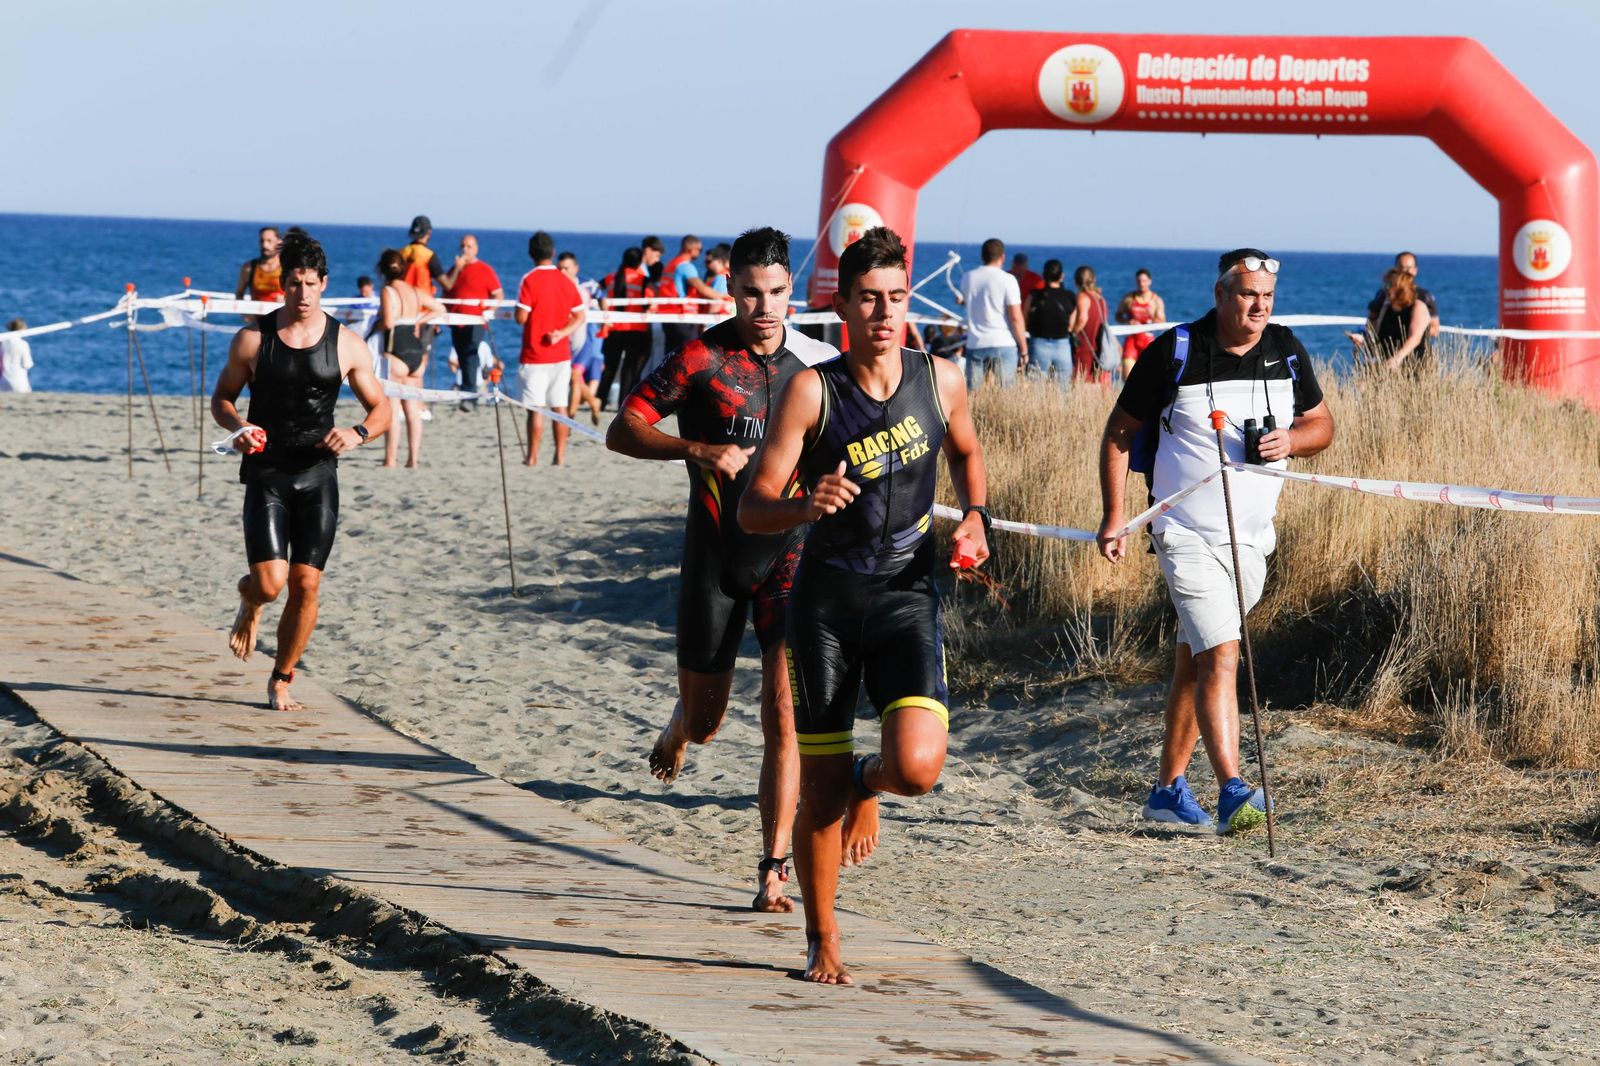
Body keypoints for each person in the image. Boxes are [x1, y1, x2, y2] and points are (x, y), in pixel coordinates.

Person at [738, 226, 990, 984]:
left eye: (897, 298)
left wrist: (976, 514)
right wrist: (802, 507)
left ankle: (866, 782)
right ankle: (823, 938)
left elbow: (969, 454)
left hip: (908, 595)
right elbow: (753, 506)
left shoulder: (940, 379)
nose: (885, 313)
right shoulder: (813, 391)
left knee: (916, 768)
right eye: (869, 299)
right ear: (842, 304)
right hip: (825, 606)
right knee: (817, 791)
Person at [607, 226, 838, 914]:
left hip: (789, 560)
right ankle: (681, 726)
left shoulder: (818, 367)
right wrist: (698, 448)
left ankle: (772, 867)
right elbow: (623, 427)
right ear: (730, 288)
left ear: (789, 289)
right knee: (709, 722)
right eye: (749, 293)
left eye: (774, 292)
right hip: (715, 560)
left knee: (783, 716)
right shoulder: (701, 359)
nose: (763, 306)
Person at [1096, 248, 1334, 833]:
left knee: (1196, 660)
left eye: (1267, 297)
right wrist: (1116, 517)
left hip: (1252, 539)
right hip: (1182, 532)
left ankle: (1166, 792)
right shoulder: (1176, 350)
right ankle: (1233, 788)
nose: (1259, 306)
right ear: (1221, 294)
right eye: (1248, 294)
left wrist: (1291, 442)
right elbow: (1119, 434)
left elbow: (1323, 426)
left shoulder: (1286, 350)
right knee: (1223, 654)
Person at [211, 230, 391, 711]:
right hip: (267, 473)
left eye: (311, 283)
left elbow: (382, 410)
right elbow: (222, 399)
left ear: (323, 283)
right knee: (270, 584)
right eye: (294, 283)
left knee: (307, 582)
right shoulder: (253, 340)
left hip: (318, 476)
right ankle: (249, 600)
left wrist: (357, 434)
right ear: (282, 285)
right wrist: (240, 425)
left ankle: (281, 679)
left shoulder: (348, 344)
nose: (303, 293)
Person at [514, 230, 584, 466]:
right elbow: (580, 315)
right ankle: (559, 456)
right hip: (560, 354)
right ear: (553, 253)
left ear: (530, 254)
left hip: (535, 354)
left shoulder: (529, 279)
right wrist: (562, 333)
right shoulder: (565, 280)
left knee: (536, 410)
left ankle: (532, 457)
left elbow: (521, 317)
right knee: (559, 407)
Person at [373, 248, 443, 468]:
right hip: (416, 350)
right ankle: (413, 459)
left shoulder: (388, 291)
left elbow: (389, 323)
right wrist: (420, 321)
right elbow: (440, 308)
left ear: (382, 271)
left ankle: (391, 459)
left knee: (392, 409)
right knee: (413, 410)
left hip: (396, 350)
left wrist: (373, 327)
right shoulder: (415, 291)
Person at [439, 235, 504, 410]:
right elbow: (446, 291)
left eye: (469, 246)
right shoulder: (455, 269)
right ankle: (468, 393)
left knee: (470, 353)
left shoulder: (485, 270)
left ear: (476, 249)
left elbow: (498, 294)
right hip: (456, 321)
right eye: (463, 246)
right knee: (462, 355)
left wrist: (490, 311)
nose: (465, 250)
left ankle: (470, 395)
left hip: (475, 320)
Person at [958, 238, 1027, 389]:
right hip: (1003, 342)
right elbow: (1015, 317)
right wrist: (1023, 348)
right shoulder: (1008, 280)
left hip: (975, 342)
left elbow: (968, 302)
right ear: (1002, 257)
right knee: (1005, 394)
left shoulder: (968, 277)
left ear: (983, 256)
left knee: (973, 394)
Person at [597, 247, 649, 407]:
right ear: (640, 261)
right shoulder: (642, 279)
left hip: (614, 328)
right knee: (629, 369)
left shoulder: (611, 277)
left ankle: (600, 400)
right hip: (636, 329)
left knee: (610, 368)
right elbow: (647, 303)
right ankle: (623, 403)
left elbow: (597, 290)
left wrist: (603, 307)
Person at [558, 251, 602, 425]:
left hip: (586, 337)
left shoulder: (587, 285)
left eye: (566, 268)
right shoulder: (558, 286)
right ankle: (593, 401)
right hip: (567, 338)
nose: (562, 272)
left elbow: (602, 299)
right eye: (559, 268)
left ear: (575, 268)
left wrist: (605, 322)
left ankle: (570, 417)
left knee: (575, 376)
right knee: (573, 379)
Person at [1364, 267, 1431, 372]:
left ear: (1401, 288)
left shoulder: (1418, 307)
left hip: (1413, 366)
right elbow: (1376, 334)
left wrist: (1398, 357)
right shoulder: (1386, 308)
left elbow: (1415, 338)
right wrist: (1364, 340)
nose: (1386, 289)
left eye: (1390, 285)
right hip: (1385, 365)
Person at [1025, 260, 1075, 388]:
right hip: (1062, 344)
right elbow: (1071, 325)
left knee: (1036, 387)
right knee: (1063, 387)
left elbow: (1025, 319)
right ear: (1061, 276)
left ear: (1044, 275)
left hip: (1038, 343)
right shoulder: (1069, 297)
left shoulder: (1034, 295)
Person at [1366, 251, 1439, 338]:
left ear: (1415, 270)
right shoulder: (1384, 294)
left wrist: (1414, 332)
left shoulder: (1424, 296)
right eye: (1401, 268)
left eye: (1408, 268)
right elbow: (1371, 320)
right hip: (1386, 346)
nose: (1405, 272)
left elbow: (1435, 328)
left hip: (1415, 348)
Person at [1116, 269, 1167, 377]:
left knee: (1148, 377)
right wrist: (1127, 321)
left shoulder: (1156, 300)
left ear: (1150, 281)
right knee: (1127, 376)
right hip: (1132, 340)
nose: (1141, 284)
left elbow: (1162, 324)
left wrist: (1152, 316)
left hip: (1147, 341)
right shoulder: (1129, 298)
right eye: (1139, 281)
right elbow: (1118, 315)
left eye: (1144, 281)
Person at [1069, 265, 1111, 384]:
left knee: (1081, 382)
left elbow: (1083, 318)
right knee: (1096, 382)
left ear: (1076, 281)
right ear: (1094, 279)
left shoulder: (1083, 297)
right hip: (1099, 347)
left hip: (1085, 346)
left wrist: (1073, 332)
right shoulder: (1101, 299)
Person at [234, 226, 285, 303]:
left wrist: (285, 300)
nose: (265, 245)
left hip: (282, 314)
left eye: (269, 241)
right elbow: (239, 294)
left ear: (279, 242)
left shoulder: (288, 267)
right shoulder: (249, 268)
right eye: (262, 241)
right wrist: (246, 313)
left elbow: (299, 293)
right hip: (257, 314)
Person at [400, 215, 446, 295]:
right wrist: (458, 267)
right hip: (422, 303)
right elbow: (447, 284)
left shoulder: (401, 252)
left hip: (404, 301)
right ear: (429, 232)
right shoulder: (428, 255)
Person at [1, 321, 35, 393]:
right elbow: (27, 364)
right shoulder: (23, 344)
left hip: (3, 382)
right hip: (19, 382)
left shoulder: (2, 343)